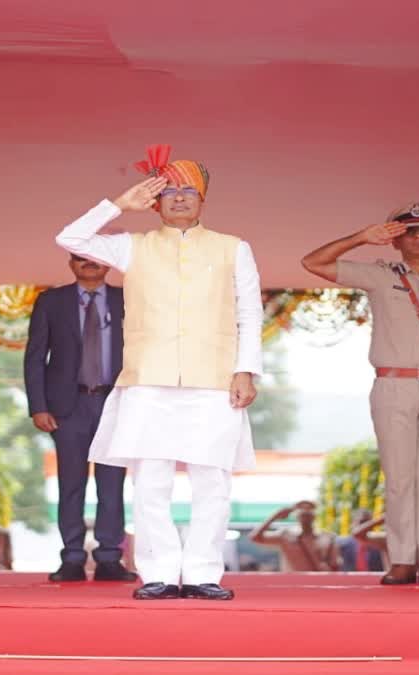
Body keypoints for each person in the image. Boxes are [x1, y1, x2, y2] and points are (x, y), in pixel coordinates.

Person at [55, 145, 264, 601]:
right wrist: (118, 204)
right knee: (152, 481)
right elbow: (70, 238)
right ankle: (160, 573)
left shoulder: (233, 248)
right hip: (148, 380)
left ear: (203, 199)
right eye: (168, 191)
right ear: (155, 202)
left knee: (213, 480)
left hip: (214, 381)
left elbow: (250, 311)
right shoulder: (133, 246)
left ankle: (204, 572)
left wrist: (247, 369)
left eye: (189, 190)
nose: (180, 198)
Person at [302, 202, 419, 586]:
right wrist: (360, 238)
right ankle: (401, 559)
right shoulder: (380, 275)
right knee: (399, 476)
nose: (418, 238)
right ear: (395, 241)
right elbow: (312, 262)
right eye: (409, 232)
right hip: (393, 384)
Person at [24, 251, 135, 582]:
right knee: (71, 485)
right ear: (70, 263)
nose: (89, 262)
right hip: (67, 407)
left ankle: (109, 558)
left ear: (109, 262)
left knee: (112, 485)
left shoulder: (128, 299)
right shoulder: (51, 301)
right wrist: (39, 406)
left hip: (115, 403)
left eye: (97, 256)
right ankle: (72, 557)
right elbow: (34, 357)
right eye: (80, 257)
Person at [249, 501, 340, 572]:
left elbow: (335, 565)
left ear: (314, 516)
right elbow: (255, 537)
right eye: (302, 511)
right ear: (297, 516)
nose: (305, 512)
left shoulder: (327, 538)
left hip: (318, 585)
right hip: (291, 584)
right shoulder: (285, 535)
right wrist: (275, 516)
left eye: (309, 511)